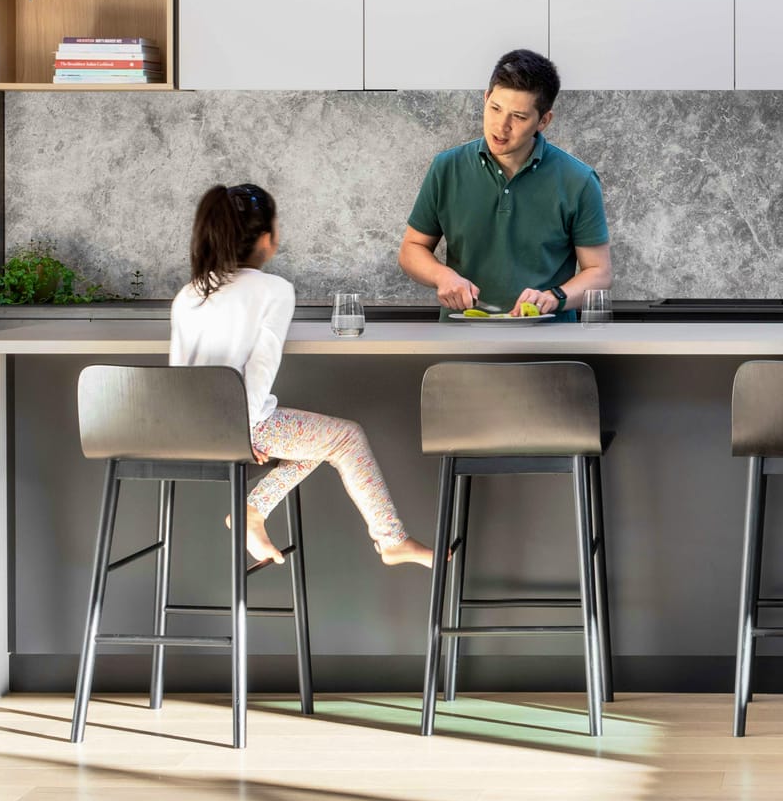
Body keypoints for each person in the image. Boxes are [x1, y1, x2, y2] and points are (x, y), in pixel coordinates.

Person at [172, 182, 433, 567]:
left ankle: (252, 511)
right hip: (239, 425)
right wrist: (238, 433)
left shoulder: (190, 293)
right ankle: (390, 539)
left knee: (315, 442)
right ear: (266, 239)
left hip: (184, 428)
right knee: (345, 438)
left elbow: (180, 376)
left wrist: (222, 430)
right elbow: (260, 368)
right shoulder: (273, 290)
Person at [399, 49, 614, 317]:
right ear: (486, 98)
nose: (501, 127)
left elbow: (599, 272)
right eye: (495, 108)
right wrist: (442, 276)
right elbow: (412, 248)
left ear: (543, 120)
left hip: (550, 344)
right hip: (461, 342)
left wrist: (553, 297)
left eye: (519, 117)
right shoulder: (446, 168)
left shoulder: (578, 180)